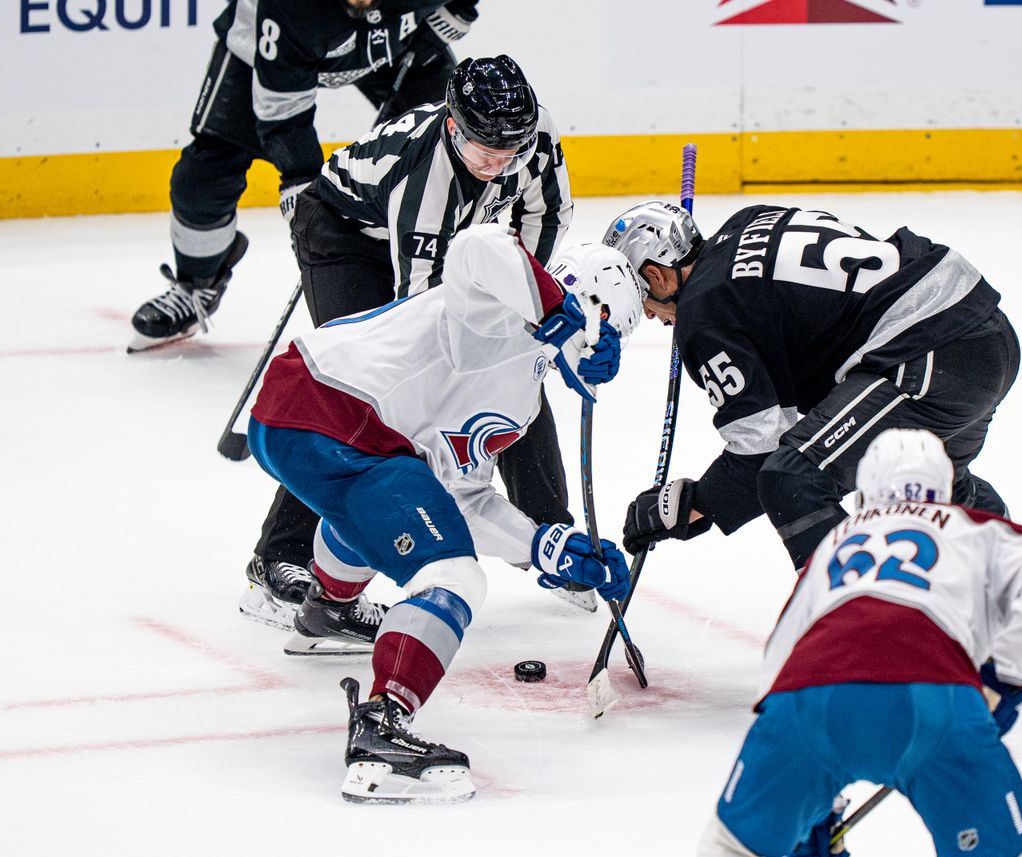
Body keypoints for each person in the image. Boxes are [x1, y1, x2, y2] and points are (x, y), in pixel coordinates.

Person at [246, 224, 644, 801]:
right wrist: (562, 315)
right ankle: (383, 726)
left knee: (393, 502)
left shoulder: (523, 396)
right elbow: (478, 246)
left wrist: (545, 546)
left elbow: (458, 495)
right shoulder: (494, 309)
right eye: (606, 332)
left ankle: (327, 611)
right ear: (588, 304)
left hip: (318, 422)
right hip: (330, 412)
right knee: (453, 575)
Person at [241, 53, 579, 630]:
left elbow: (546, 214)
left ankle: (551, 532)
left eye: (511, 153)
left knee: (522, 372)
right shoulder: (425, 184)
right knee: (357, 400)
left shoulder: (532, 133)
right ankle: (279, 558)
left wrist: (528, 307)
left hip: (448, 242)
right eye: (483, 152)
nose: (500, 165)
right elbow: (426, 315)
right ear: (453, 125)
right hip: (346, 237)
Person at [697, 428, 1022, 857]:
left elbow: (782, 653)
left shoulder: (835, 542)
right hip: (934, 699)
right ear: (944, 490)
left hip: (808, 702)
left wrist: (810, 799)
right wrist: (1005, 681)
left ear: (865, 493)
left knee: (730, 848)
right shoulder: (971, 527)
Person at [605, 201, 1020, 570]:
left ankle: (867, 629)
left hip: (924, 353)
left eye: (645, 303)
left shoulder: (704, 313)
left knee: (791, 480)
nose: (657, 320)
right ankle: (1011, 576)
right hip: (982, 332)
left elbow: (759, 454)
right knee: (921, 488)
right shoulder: (750, 218)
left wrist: (689, 505)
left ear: (658, 277)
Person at [127, 0, 479, 352]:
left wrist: (454, 14)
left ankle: (454, 276)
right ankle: (195, 284)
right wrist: (305, 188)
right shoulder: (289, 7)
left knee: (458, 143)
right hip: (267, 54)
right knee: (202, 180)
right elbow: (284, 117)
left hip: (397, 37)